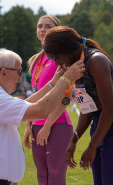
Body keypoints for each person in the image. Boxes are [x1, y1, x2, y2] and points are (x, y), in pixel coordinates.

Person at [0, 48, 84, 185]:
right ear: (4, 72)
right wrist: (66, 80)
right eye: (19, 72)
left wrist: (53, 83)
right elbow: (41, 111)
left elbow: (25, 104)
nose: (21, 78)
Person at [42, 26, 113, 185]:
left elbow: (109, 108)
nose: (57, 63)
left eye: (57, 58)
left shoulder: (96, 61)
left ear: (66, 50)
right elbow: (87, 107)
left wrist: (92, 146)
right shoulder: (77, 65)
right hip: (101, 122)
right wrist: (74, 139)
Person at [23, 15, 73, 185]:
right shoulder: (37, 59)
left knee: (56, 175)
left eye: (48, 26)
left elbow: (66, 97)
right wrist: (28, 126)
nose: (42, 29)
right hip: (37, 124)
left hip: (57, 124)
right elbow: (36, 95)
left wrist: (47, 125)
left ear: (56, 31)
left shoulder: (60, 59)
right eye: (40, 26)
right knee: (42, 176)